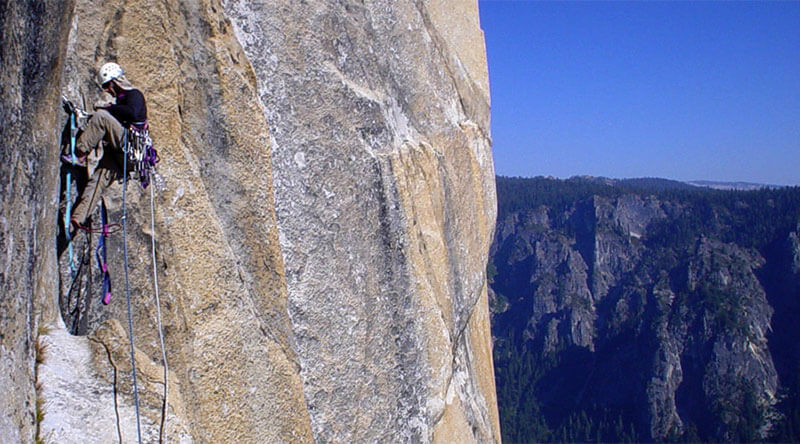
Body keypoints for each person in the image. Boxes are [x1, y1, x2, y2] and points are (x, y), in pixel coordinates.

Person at [65, 62, 148, 228]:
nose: (107, 90)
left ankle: (80, 154)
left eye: (107, 85)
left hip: (129, 147)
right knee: (98, 180)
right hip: (121, 153)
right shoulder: (122, 100)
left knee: (102, 117)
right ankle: (78, 218)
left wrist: (109, 108)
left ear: (115, 82)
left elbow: (131, 113)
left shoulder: (134, 95)